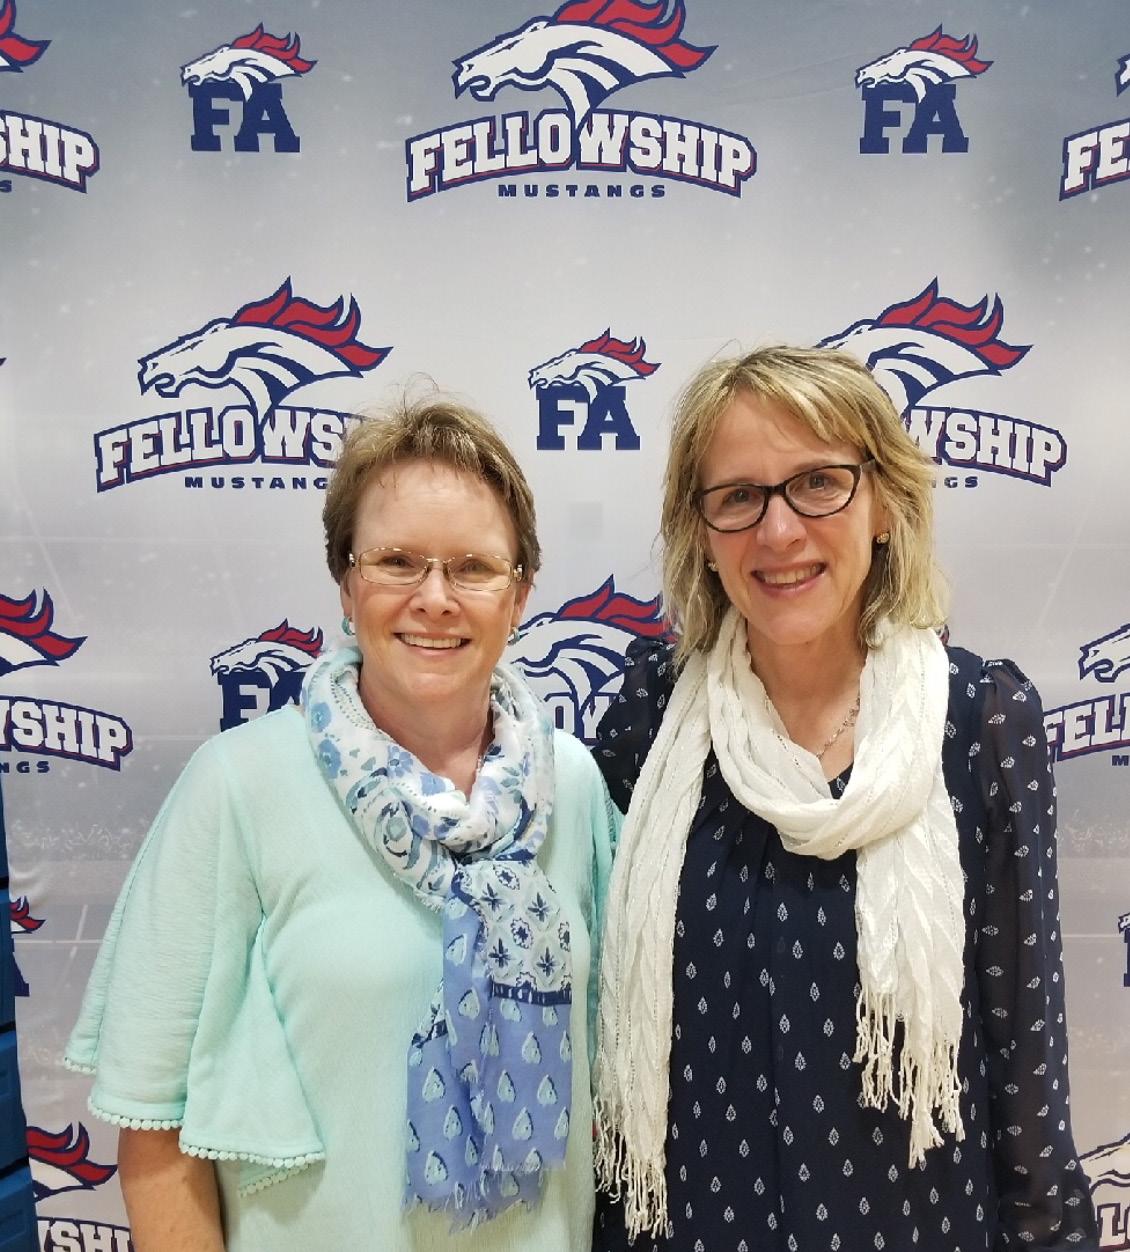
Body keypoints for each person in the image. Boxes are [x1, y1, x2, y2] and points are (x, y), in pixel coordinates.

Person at [65, 397, 617, 1252]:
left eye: (473, 568)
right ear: (347, 586)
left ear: (519, 597)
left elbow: (619, 1061)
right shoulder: (238, 787)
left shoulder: (573, 788)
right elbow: (155, 1128)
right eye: (396, 561)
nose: (434, 598)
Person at [591, 346, 1099, 1251]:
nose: (779, 531)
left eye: (819, 483)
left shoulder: (979, 723)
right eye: (738, 496)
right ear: (700, 531)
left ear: (885, 505)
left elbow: (1025, 1054)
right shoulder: (651, 723)